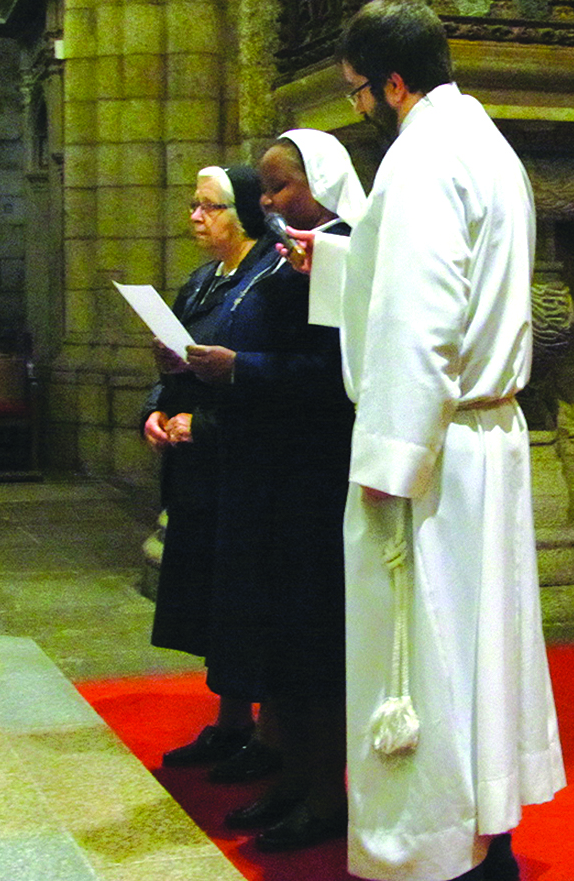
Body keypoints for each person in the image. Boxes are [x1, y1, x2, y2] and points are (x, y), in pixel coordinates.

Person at [291, 0, 566, 881]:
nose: (360, 105)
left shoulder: (418, 160)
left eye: (359, 90)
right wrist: (337, 260)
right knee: (483, 645)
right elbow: (444, 274)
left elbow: (419, 316)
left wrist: (388, 461)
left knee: (424, 654)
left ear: (394, 82)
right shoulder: (486, 146)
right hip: (487, 433)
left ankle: (421, 849)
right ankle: (492, 832)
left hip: (434, 449)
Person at [142, 157, 359, 828]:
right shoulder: (269, 267)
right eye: (262, 190)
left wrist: (238, 372)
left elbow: (332, 372)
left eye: (277, 188)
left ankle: (318, 787)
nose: (268, 202)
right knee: (279, 632)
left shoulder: (333, 255)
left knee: (308, 638)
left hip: (306, 473)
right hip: (258, 469)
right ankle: (290, 773)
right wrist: (166, 395)